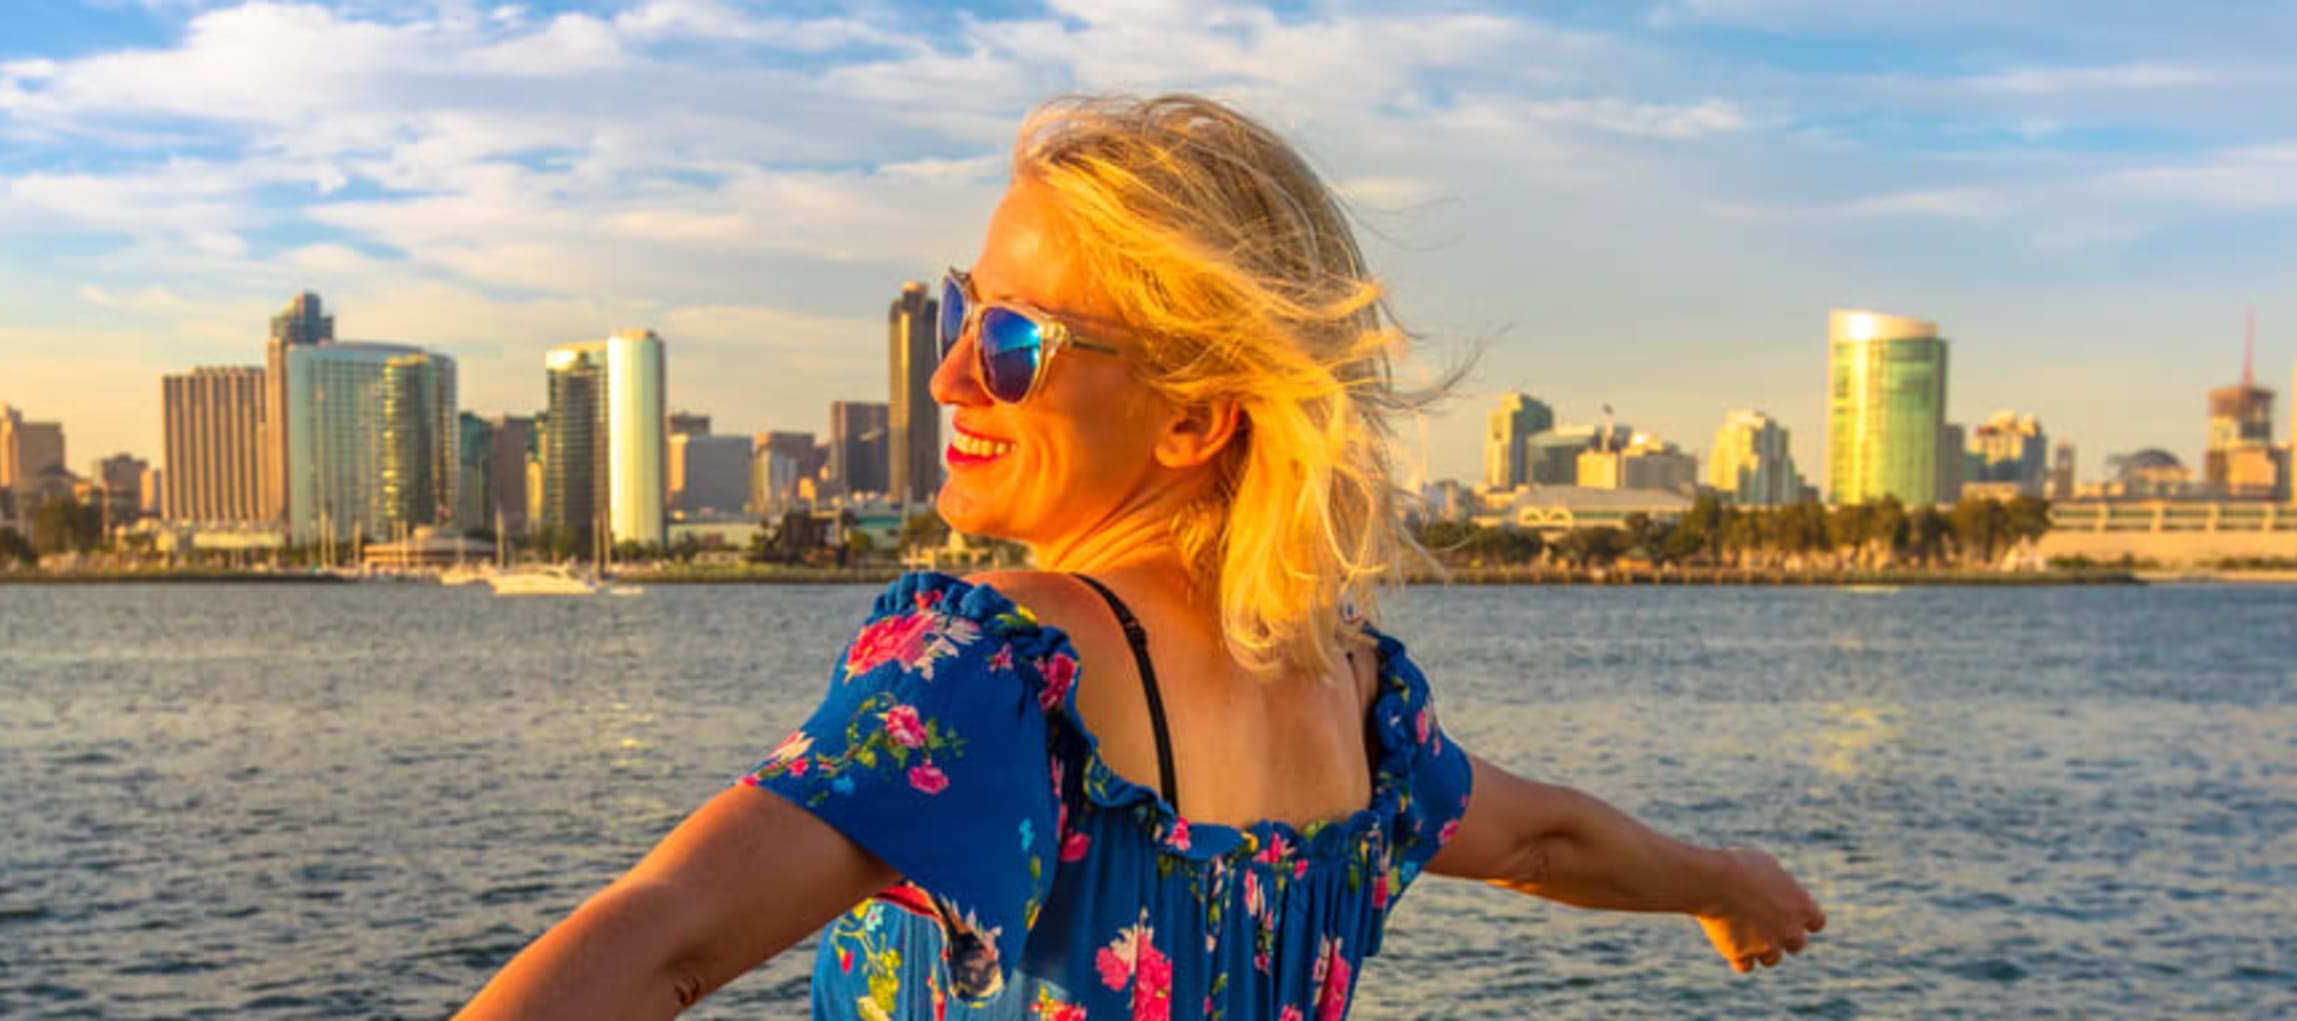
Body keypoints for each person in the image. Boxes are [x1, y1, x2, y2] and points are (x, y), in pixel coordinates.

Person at [459, 93, 1823, 1020]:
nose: (949, 378)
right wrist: (1723, 879)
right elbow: (1553, 838)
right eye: (962, 312)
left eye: (1010, 345)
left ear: (1191, 416)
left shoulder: (997, 671)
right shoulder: (1357, 702)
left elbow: (671, 935)